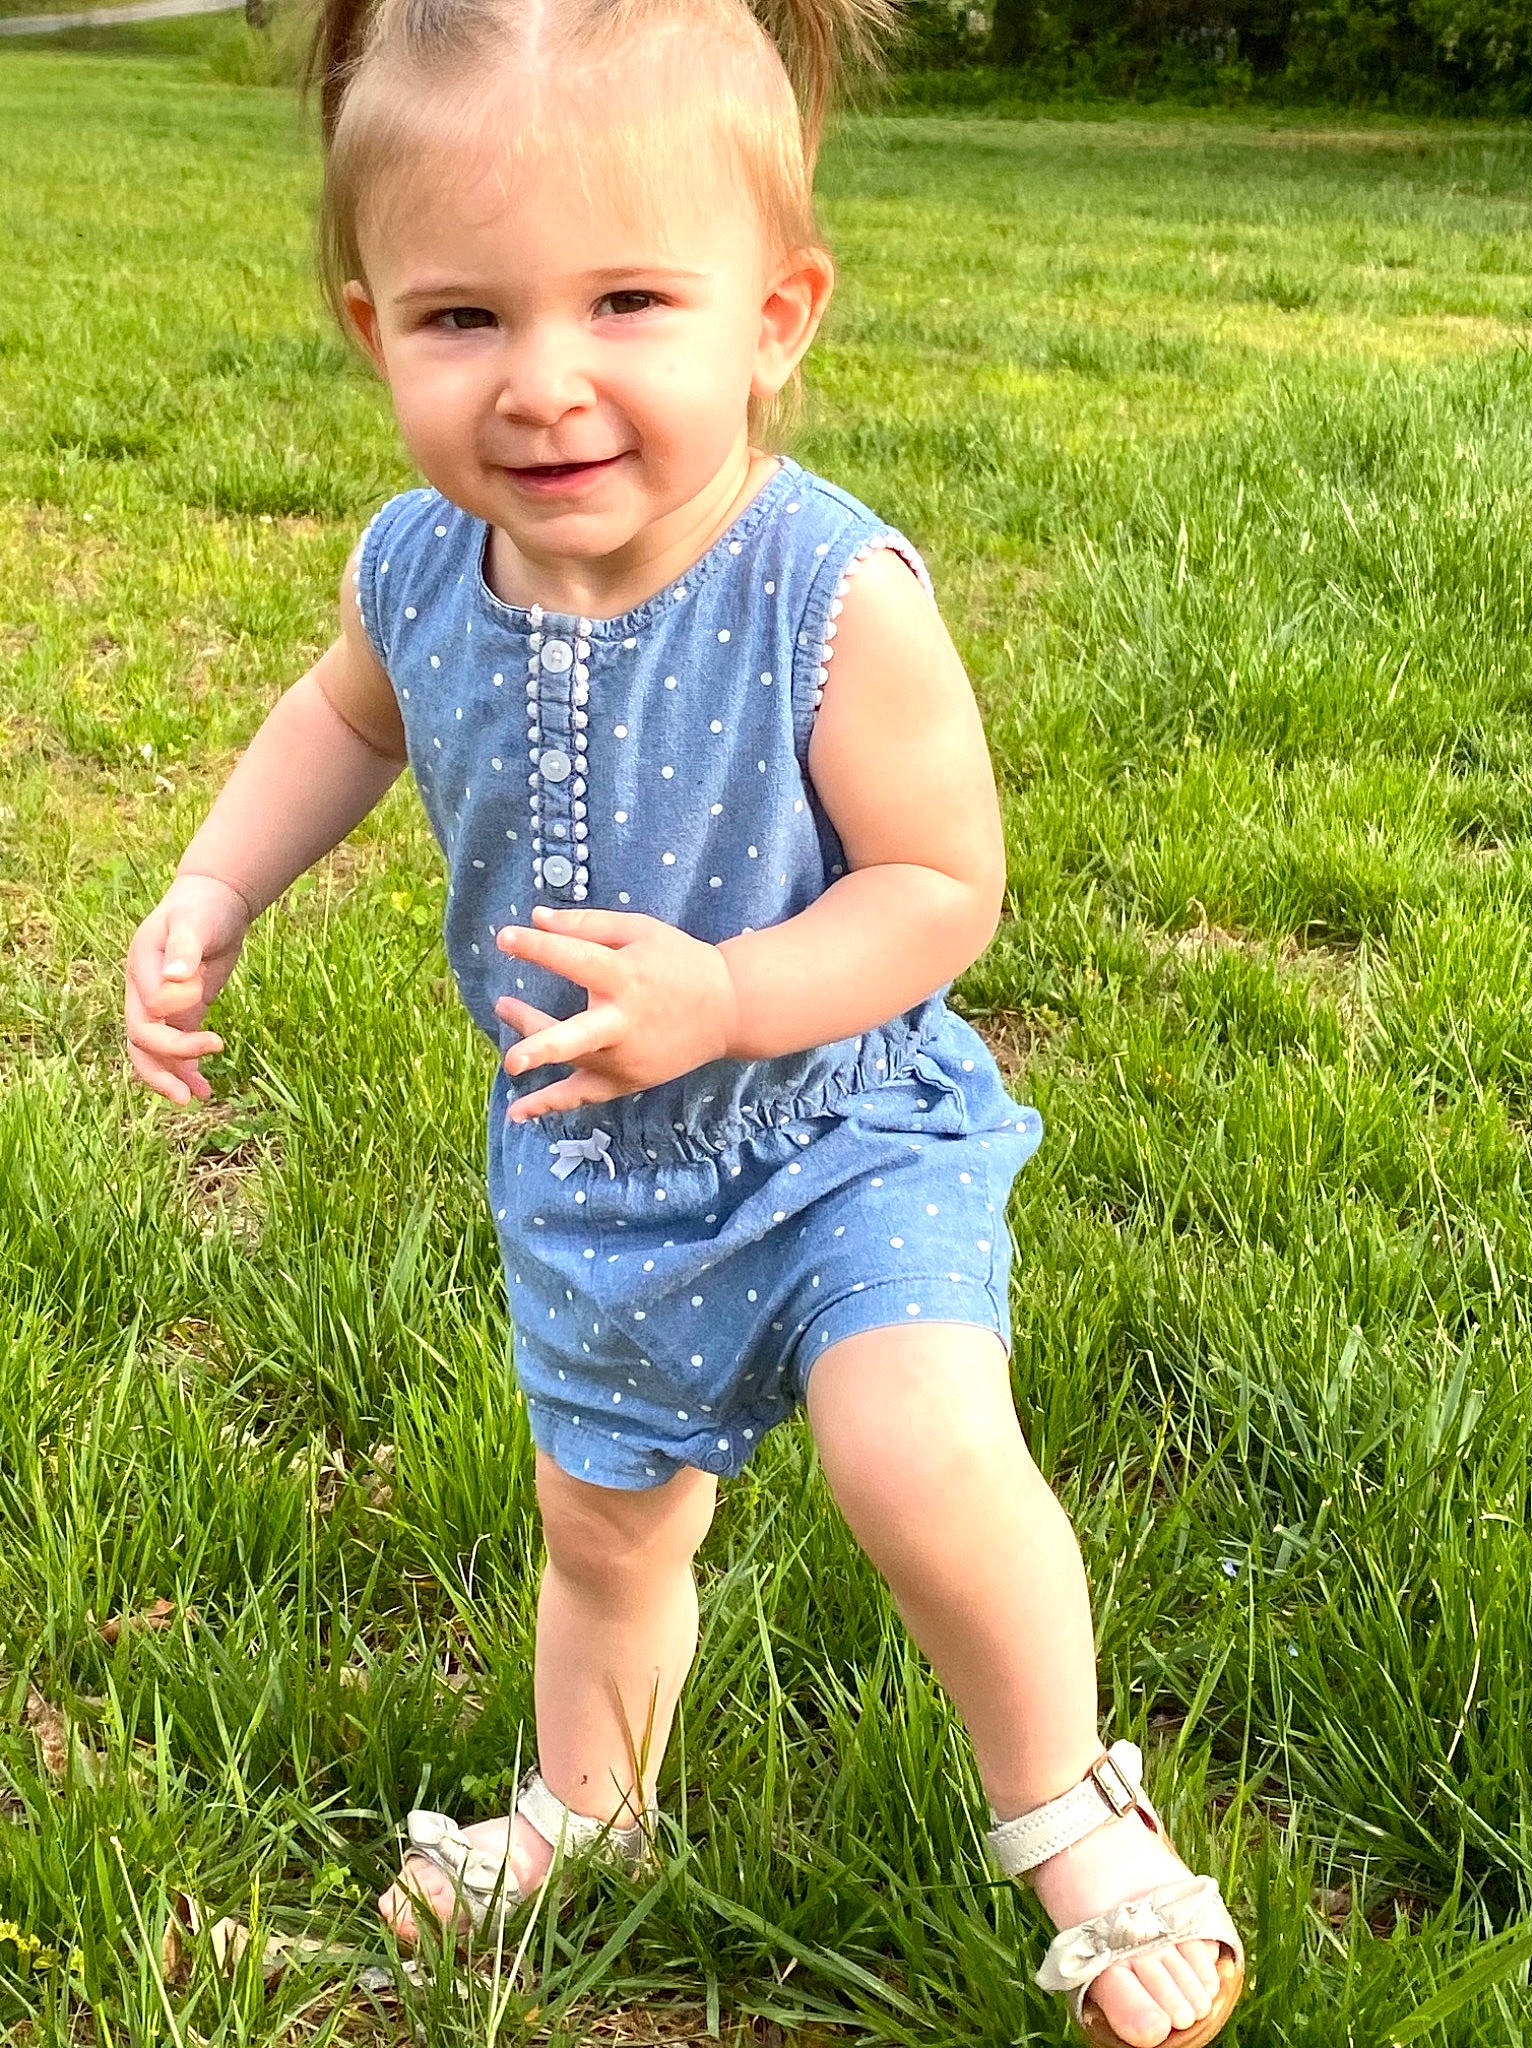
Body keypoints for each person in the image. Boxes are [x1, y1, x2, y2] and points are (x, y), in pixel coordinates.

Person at [122, 1, 1245, 2041]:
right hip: (593, 1161)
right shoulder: (418, 570)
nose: (544, 381)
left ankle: (1071, 1811)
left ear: (775, 318)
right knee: (609, 1525)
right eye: (464, 317)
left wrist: (730, 993)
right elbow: (340, 722)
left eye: (628, 300)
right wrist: (214, 884)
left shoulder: (828, 592)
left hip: (839, 1126)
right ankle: (596, 1803)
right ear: (373, 331)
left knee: (916, 1453)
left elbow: (940, 885)